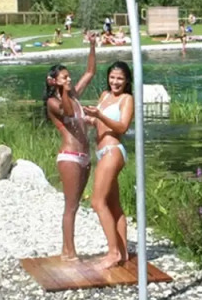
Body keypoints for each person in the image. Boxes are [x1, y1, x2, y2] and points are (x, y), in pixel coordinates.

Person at [43, 34, 97, 261]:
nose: (69, 79)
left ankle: (67, 251)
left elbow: (90, 72)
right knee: (71, 205)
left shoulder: (73, 95)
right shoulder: (53, 102)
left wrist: (93, 46)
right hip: (70, 156)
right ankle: (69, 252)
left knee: (76, 205)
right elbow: (66, 112)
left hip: (85, 156)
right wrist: (64, 90)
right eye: (64, 77)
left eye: (68, 76)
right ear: (53, 81)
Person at [83, 61, 134, 270]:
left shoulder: (126, 99)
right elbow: (98, 122)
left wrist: (100, 115)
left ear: (127, 80)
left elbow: (122, 127)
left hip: (114, 151)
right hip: (102, 151)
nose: (115, 82)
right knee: (113, 205)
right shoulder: (104, 95)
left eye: (120, 78)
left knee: (97, 202)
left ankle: (112, 252)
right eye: (112, 77)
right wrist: (86, 118)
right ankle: (122, 253)